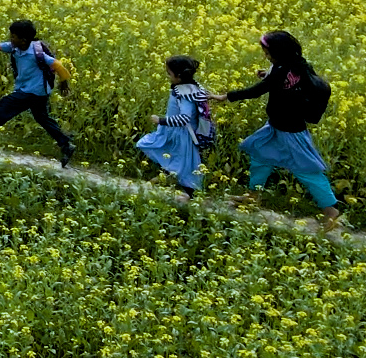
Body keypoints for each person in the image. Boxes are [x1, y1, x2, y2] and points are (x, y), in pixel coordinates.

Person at [221, 30, 340, 228]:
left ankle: (331, 211)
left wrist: (226, 96)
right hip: (276, 126)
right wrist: (268, 74)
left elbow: (257, 90)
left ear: (279, 52)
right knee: (259, 156)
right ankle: (253, 196)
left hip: (291, 131)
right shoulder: (293, 65)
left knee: (307, 171)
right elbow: (280, 80)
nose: (265, 56)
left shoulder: (282, 70)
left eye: (267, 53)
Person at [0, 19, 76, 166]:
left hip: (32, 91)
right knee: (42, 118)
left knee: (5, 105)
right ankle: (66, 145)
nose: (10, 39)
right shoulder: (15, 48)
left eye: (13, 36)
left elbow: (57, 64)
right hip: (39, 91)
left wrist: (64, 82)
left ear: (23, 40)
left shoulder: (35, 53)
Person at [135, 55, 212, 198]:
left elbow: (185, 118)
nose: (167, 76)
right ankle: (168, 178)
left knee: (182, 167)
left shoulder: (185, 93)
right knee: (174, 160)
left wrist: (161, 120)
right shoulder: (189, 87)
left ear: (179, 76)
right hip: (174, 132)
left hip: (182, 135)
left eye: (169, 73)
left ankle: (191, 195)